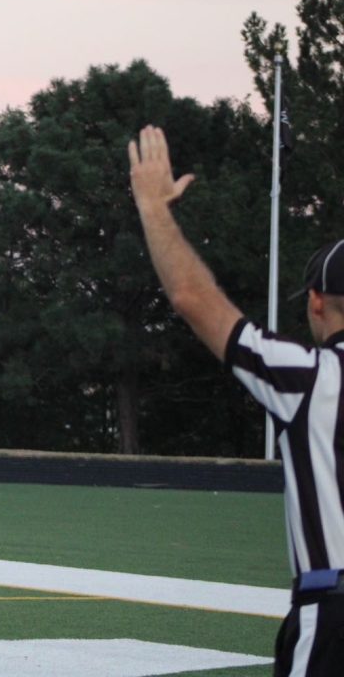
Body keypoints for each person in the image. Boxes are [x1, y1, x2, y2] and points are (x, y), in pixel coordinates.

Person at [129, 125, 344, 676]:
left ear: (317, 302)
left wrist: (154, 206)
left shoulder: (311, 377)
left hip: (333, 616)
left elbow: (192, 299)